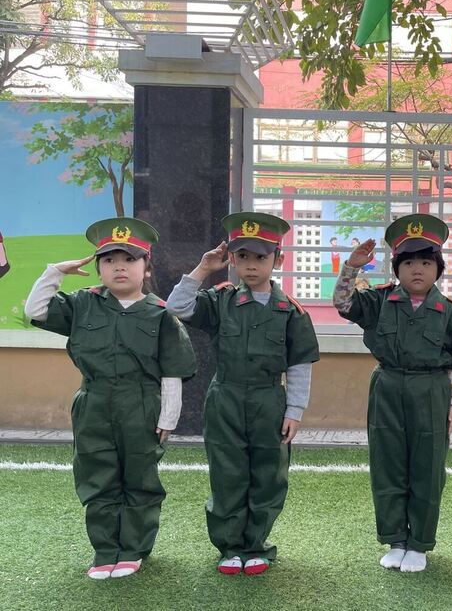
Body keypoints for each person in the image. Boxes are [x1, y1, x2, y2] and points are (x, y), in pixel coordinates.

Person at [24, 217, 196, 580]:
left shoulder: (161, 314)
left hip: (140, 405)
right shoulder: (83, 304)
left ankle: (132, 549)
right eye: (109, 260)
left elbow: (172, 371)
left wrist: (168, 417)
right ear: (98, 267)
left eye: (130, 259)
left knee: (140, 479)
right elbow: (35, 311)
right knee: (96, 476)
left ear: (146, 268)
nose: (119, 267)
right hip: (94, 403)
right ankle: (105, 551)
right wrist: (54, 272)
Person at [166, 212, 319, 576]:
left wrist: (294, 410)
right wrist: (203, 269)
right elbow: (176, 307)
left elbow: (299, 364)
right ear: (232, 259)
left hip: (269, 401)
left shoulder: (291, 312)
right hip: (226, 399)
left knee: (268, 476)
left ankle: (255, 545)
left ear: (277, 259)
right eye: (243, 256)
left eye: (261, 257)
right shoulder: (221, 301)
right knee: (227, 473)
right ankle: (231, 547)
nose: (251, 265)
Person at [333, 214, 452, 573]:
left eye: (426, 262)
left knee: (428, 468)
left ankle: (420, 544)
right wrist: (351, 267)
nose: (417, 269)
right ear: (397, 268)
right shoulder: (380, 301)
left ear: (438, 268)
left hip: (431, 391)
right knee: (388, 465)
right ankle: (396, 539)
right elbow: (343, 304)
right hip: (388, 387)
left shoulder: (449, 311)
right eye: (409, 262)